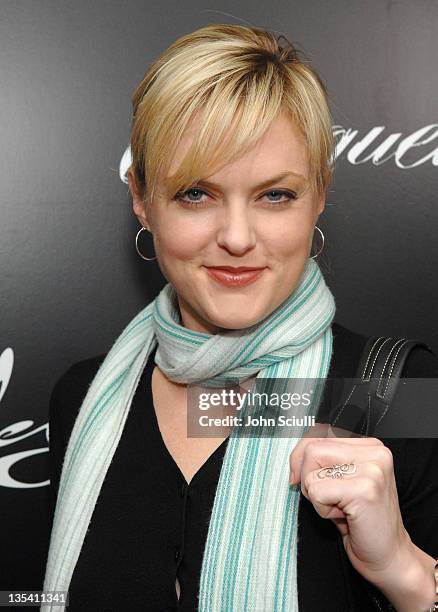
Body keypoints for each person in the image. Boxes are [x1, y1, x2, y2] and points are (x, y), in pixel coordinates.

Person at [42, 24, 438, 612]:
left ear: (320, 194)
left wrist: (400, 566)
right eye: (195, 194)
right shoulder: (81, 397)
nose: (236, 238)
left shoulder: (397, 392)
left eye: (275, 195)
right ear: (142, 200)